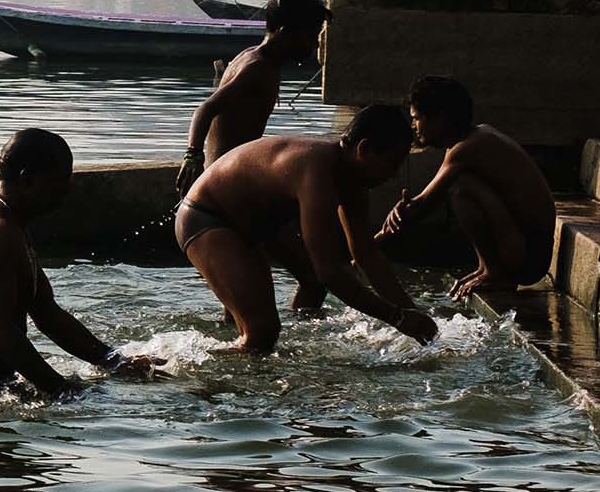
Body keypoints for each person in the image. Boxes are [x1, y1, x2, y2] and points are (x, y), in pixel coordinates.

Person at [176, 106, 439, 353]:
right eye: (392, 164)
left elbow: (365, 255)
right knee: (262, 335)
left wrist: (412, 315)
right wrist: (396, 317)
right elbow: (330, 272)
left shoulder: (355, 181)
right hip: (208, 218)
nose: (393, 176)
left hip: (258, 224)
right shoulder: (316, 172)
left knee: (311, 283)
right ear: (365, 149)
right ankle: (159, 364)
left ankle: (298, 341)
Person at [0, 129, 157, 395]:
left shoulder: (11, 224)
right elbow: (0, 332)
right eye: (60, 180)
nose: (67, 190)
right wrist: (62, 390)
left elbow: (47, 313)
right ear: (28, 179)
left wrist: (113, 361)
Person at [379, 76, 557, 298]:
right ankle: (487, 268)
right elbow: (424, 203)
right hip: (524, 252)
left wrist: (367, 247)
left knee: (461, 187)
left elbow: (423, 205)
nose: (414, 126)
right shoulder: (472, 139)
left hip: (528, 259)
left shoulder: (469, 147)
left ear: (440, 118)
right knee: (461, 185)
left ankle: (493, 271)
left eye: (417, 119)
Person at [175, 0, 330, 195]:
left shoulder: (251, 55)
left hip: (229, 175)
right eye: (310, 36)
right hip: (224, 184)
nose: (314, 45)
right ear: (285, 33)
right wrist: (192, 156)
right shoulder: (258, 68)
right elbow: (206, 108)